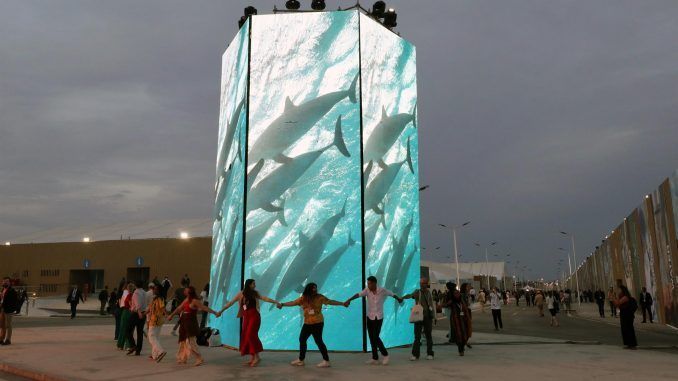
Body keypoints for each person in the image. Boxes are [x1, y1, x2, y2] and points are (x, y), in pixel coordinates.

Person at [279, 282, 347, 368]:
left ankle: (326, 361)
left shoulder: (320, 297)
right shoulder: (303, 298)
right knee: (302, 339)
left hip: (317, 323)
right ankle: (301, 360)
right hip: (307, 323)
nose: (315, 289)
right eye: (313, 288)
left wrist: (342, 303)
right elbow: (293, 303)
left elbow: (330, 301)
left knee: (318, 341)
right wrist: (282, 304)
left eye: (316, 288)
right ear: (309, 289)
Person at [220, 279, 280, 367]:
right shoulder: (241, 294)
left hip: (254, 316)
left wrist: (275, 302)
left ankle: (255, 356)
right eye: (253, 284)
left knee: (250, 334)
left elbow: (264, 298)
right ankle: (254, 357)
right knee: (246, 335)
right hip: (246, 317)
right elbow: (230, 303)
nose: (255, 285)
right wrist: (221, 311)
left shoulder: (254, 293)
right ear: (249, 285)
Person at [345, 276, 402, 365]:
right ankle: (375, 358)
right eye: (368, 283)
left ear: (375, 283)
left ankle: (385, 354)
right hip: (370, 317)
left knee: (375, 337)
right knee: (371, 338)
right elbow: (358, 294)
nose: (368, 285)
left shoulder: (382, 290)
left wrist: (398, 298)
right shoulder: (367, 290)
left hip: (379, 317)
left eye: (370, 283)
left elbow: (391, 294)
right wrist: (349, 300)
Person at [168, 286, 219, 366]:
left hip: (190, 323)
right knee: (183, 341)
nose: (184, 291)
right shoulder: (186, 299)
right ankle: (182, 357)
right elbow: (179, 308)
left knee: (191, 342)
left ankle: (199, 358)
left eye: (186, 290)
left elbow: (204, 307)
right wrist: (171, 315)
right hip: (184, 322)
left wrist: (214, 312)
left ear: (189, 292)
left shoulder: (195, 301)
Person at [402, 277, 435, 361]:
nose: (422, 285)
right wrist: (402, 298)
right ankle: (415, 354)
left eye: (423, 283)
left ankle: (430, 353)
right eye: (421, 283)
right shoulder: (417, 292)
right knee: (417, 337)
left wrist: (434, 316)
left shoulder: (429, 293)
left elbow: (431, 304)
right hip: (418, 317)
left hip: (427, 317)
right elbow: (410, 295)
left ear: (427, 284)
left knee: (428, 336)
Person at [445, 283, 471, 356]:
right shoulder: (452, 300)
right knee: (458, 334)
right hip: (456, 319)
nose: (457, 295)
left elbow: (465, 307)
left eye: (458, 294)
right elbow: (446, 304)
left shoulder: (461, 300)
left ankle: (463, 344)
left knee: (464, 333)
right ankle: (461, 349)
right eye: (455, 294)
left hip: (463, 318)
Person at [145, 283, 167, 363]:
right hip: (158, 321)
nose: (153, 290)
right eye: (153, 288)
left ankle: (160, 351)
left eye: (155, 289)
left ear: (158, 290)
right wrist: (143, 313)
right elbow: (150, 308)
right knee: (156, 337)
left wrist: (168, 315)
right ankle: (155, 355)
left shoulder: (159, 299)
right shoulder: (155, 299)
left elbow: (163, 308)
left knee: (151, 337)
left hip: (155, 320)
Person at [126, 280, 148, 356]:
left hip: (136, 314)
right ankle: (138, 350)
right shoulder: (144, 292)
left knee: (128, 330)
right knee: (139, 332)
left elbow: (137, 304)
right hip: (143, 313)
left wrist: (138, 313)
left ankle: (133, 346)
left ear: (135, 285)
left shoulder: (136, 292)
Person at [612, 285, 638, 349]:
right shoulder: (621, 297)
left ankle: (632, 344)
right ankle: (628, 344)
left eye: (619, 290)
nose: (618, 291)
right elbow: (617, 305)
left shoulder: (625, 297)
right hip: (623, 314)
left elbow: (617, 303)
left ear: (623, 290)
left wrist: (614, 298)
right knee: (625, 329)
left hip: (627, 315)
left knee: (629, 329)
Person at [0, 277, 18, 345]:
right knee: (2, 325)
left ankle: (8, 339)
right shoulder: (3, 289)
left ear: (9, 282)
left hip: (8, 310)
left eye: (6, 281)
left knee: (8, 325)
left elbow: (14, 301)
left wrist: (12, 309)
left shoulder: (12, 290)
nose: (5, 282)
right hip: (2, 309)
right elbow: (2, 300)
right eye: (4, 281)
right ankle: (1, 338)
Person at [117, 283, 134, 350]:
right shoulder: (130, 295)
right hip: (129, 312)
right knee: (128, 329)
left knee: (123, 328)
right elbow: (131, 305)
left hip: (124, 311)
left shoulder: (124, 294)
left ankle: (120, 344)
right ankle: (128, 345)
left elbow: (121, 304)